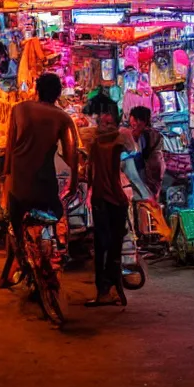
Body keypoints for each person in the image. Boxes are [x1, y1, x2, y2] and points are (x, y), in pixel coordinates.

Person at [0, 73, 78, 289]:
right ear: (59, 93)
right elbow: (72, 156)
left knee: (14, 224)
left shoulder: (19, 109)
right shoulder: (63, 118)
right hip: (45, 186)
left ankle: (21, 262)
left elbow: (9, 146)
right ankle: (60, 252)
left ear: (36, 89)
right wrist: (75, 183)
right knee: (58, 216)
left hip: (19, 185)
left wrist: (5, 176)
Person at [84, 105, 136, 307]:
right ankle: (106, 289)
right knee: (104, 245)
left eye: (109, 123)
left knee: (110, 245)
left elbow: (132, 153)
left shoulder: (118, 142)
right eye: (102, 123)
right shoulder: (95, 142)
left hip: (113, 198)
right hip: (103, 198)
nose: (105, 127)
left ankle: (109, 287)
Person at [127, 106, 165, 201]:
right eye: (132, 125)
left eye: (135, 125)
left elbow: (152, 162)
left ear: (142, 123)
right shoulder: (155, 134)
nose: (133, 128)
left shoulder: (148, 136)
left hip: (147, 178)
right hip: (140, 178)